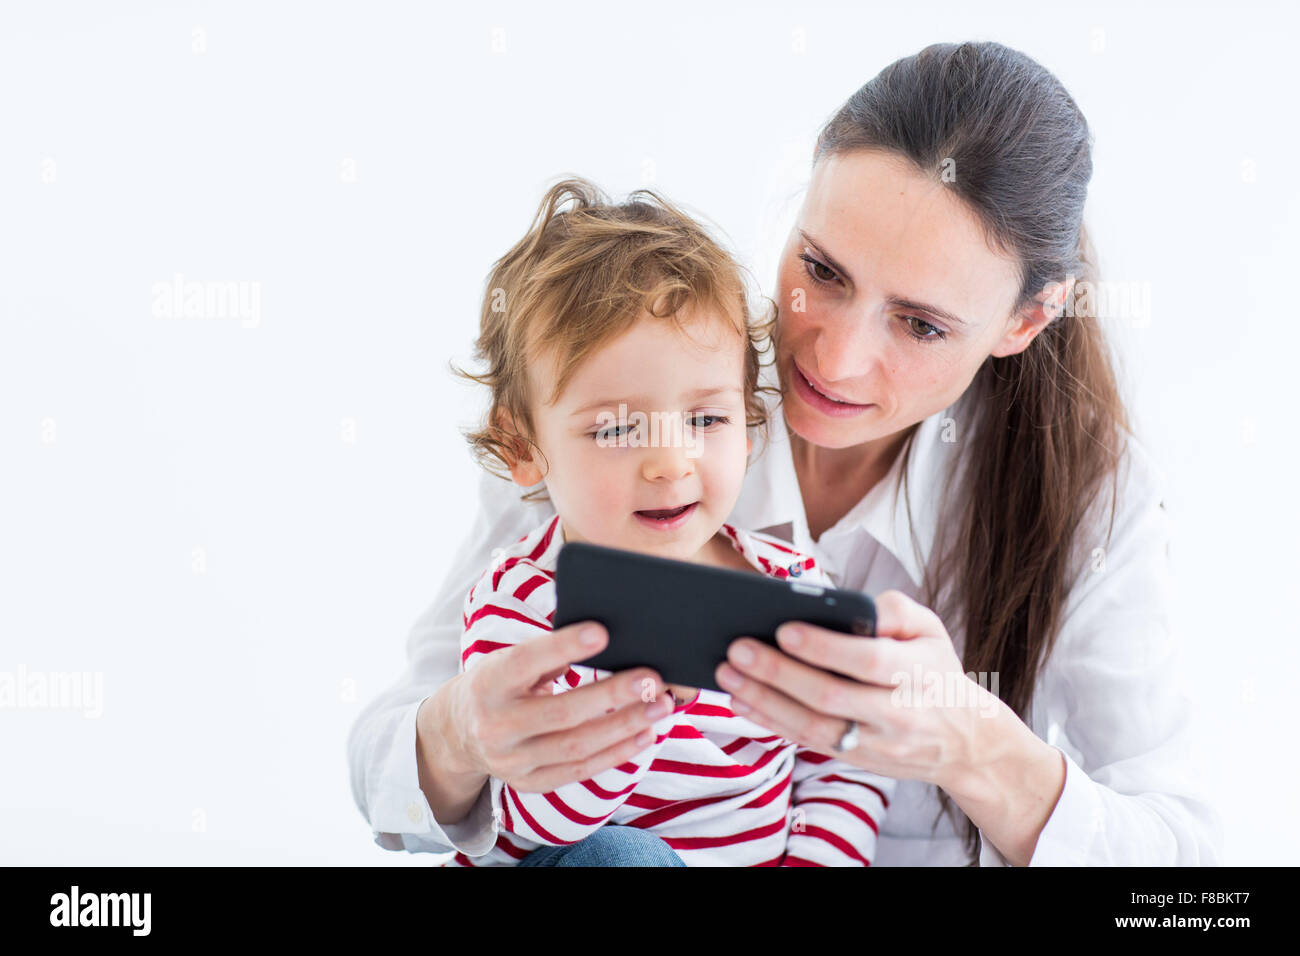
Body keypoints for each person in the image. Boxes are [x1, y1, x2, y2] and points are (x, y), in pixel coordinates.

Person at [348, 41, 1222, 866]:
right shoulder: (632, 394)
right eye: (824, 271)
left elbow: (1190, 887)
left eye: (919, 324)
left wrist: (969, 743)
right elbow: (385, 762)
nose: (832, 360)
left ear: (1025, 322)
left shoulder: (1093, 498)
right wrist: (465, 735)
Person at [446, 177, 893, 866]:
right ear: (522, 449)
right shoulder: (526, 607)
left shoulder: (787, 586)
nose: (670, 462)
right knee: (622, 857)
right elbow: (536, 820)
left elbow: (845, 765)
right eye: (618, 428)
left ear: (747, 429)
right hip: (582, 855)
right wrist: (647, 710)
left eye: (706, 419)